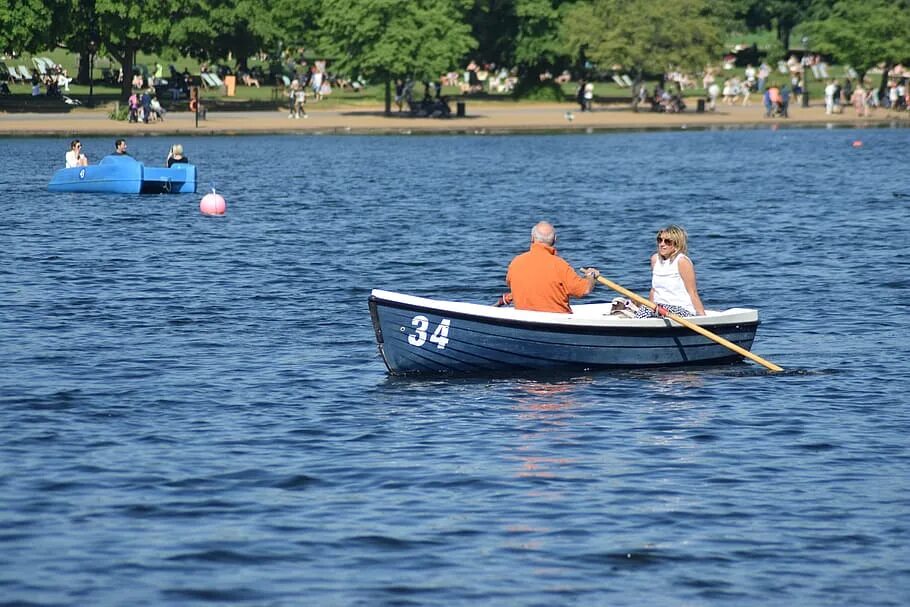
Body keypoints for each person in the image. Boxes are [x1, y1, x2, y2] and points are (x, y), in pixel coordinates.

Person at [501, 221, 600, 313]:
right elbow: (584, 290)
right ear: (555, 239)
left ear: (532, 238)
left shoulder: (516, 262)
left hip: (524, 319)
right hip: (557, 320)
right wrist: (591, 276)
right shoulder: (560, 265)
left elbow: (511, 285)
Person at [635, 225, 705, 318]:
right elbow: (654, 290)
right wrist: (650, 306)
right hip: (658, 309)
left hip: (681, 310)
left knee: (648, 308)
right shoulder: (655, 259)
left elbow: (692, 292)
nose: (662, 244)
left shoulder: (682, 261)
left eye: (667, 241)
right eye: (660, 240)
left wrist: (702, 316)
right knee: (624, 301)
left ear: (676, 245)